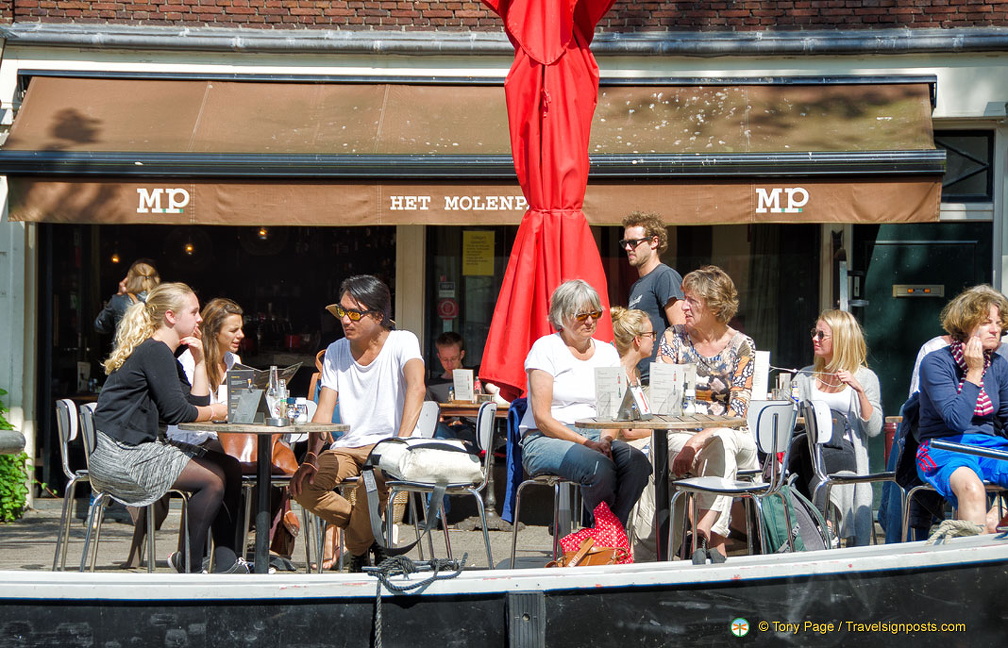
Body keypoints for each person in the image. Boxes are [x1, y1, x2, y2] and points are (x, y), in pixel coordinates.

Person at [88, 282, 246, 573]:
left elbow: (193, 404)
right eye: (194, 312)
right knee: (211, 480)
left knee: (230, 467)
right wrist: (218, 411)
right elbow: (179, 414)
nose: (200, 319)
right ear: (171, 317)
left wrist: (200, 362)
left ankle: (226, 562)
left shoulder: (164, 354)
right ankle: (190, 566)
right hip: (122, 456)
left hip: (140, 449)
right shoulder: (155, 351)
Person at [289, 275, 426, 572]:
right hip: (348, 447)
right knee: (303, 486)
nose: (344, 320)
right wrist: (311, 456)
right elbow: (324, 411)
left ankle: (357, 550)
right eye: (342, 311)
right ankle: (370, 540)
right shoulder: (336, 351)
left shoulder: (403, 341)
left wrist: (398, 444)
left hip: (389, 446)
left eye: (354, 313)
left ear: (378, 316)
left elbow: (417, 388)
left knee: (370, 484)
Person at [518, 280, 650, 531]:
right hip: (545, 438)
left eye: (595, 314)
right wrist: (588, 444)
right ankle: (606, 535)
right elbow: (543, 419)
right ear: (562, 316)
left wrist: (607, 440)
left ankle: (604, 534)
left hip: (595, 436)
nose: (590, 321)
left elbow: (613, 411)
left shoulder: (607, 353)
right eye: (582, 315)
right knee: (598, 466)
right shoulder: (546, 348)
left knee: (637, 463)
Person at [658, 265, 757, 562]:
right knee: (718, 449)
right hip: (680, 435)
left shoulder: (742, 346)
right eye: (684, 299)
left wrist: (697, 440)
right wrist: (691, 439)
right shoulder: (673, 338)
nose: (683, 306)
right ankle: (713, 542)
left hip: (733, 437)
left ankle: (701, 529)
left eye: (692, 300)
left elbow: (737, 414)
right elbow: (663, 402)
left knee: (722, 441)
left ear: (714, 306)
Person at [917, 285, 1008, 534]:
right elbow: (955, 420)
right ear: (966, 325)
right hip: (944, 447)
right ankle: (975, 556)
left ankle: (994, 519)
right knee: (971, 487)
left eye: (998, 323)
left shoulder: (999, 364)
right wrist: (974, 371)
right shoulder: (936, 362)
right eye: (986, 322)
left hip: (989, 446)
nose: (995, 329)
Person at [790, 309, 883, 547]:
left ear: (841, 339)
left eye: (822, 335)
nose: (815, 338)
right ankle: (823, 523)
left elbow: (873, 429)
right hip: (810, 452)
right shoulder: (805, 377)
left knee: (820, 457)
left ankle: (822, 522)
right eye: (815, 332)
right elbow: (789, 417)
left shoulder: (865, 377)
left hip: (846, 454)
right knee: (808, 448)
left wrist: (859, 390)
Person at [611, 306, 660, 560]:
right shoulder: (618, 373)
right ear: (638, 340)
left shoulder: (635, 373)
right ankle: (642, 545)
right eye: (651, 334)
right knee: (657, 461)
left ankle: (658, 538)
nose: (655, 339)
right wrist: (658, 430)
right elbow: (627, 430)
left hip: (636, 443)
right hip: (620, 447)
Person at [621, 212, 685, 384]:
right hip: (640, 377)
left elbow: (681, 329)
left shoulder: (664, 276)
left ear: (654, 242)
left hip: (660, 378)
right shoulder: (636, 286)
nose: (628, 248)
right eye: (625, 243)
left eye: (633, 242)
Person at [94, 259, 161, 334]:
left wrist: (119, 295)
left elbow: (99, 326)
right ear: (156, 278)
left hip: (126, 342)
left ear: (129, 278)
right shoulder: (164, 300)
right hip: (153, 342)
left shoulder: (118, 301)